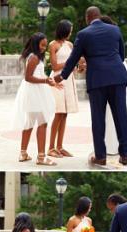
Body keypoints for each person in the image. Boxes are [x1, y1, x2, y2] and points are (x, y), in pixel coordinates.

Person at [54, 6, 127, 166]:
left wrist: (62, 76)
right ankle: (125, 154)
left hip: (97, 80)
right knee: (121, 116)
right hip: (117, 77)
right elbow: (122, 55)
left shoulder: (83, 34)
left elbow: (73, 58)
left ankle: (101, 156)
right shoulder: (115, 30)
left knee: (98, 119)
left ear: (87, 18)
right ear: (99, 15)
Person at [14, 32, 62, 166]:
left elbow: (39, 74)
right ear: (36, 44)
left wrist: (51, 81)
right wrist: (46, 81)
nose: (44, 48)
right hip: (34, 92)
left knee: (29, 122)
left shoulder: (35, 57)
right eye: (42, 45)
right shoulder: (34, 57)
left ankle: (23, 153)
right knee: (43, 122)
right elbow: (28, 77)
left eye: (45, 46)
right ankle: (41, 157)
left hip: (34, 92)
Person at [48, 19, 84, 159]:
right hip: (58, 80)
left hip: (69, 79)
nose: (71, 32)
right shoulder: (53, 45)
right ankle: (50, 147)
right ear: (64, 29)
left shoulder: (69, 44)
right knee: (58, 113)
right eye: (70, 29)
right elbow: (54, 66)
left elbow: (74, 65)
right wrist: (70, 63)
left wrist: (79, 67)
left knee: (65, 114)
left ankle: (60, 147)